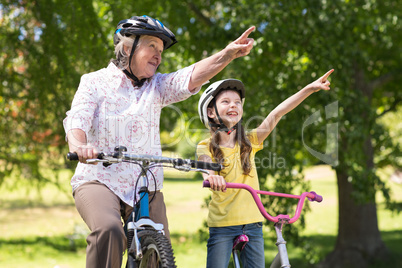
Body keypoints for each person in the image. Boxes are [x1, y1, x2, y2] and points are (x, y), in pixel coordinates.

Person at [63, 15, 256, 268]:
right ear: (126, 46)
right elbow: (77, 120)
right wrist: (79, 146)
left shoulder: (157, 86)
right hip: (99, 179)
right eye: (152, 46)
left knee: (158, 249)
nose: (158, 55)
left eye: (161, 50)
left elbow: (190, 77)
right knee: (109, 231)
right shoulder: (94, 82)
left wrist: (227, 54)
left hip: (146, 183)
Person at [197, 69, 334, 267]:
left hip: (253, 224)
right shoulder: (206, 145)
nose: (233, 105)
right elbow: (204, 164)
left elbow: (277, 113)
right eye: (225, 102)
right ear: (211, 112)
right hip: (223, 226)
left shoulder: (249, 142)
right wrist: (211, 177)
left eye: (237, 102)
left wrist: (309, 89)